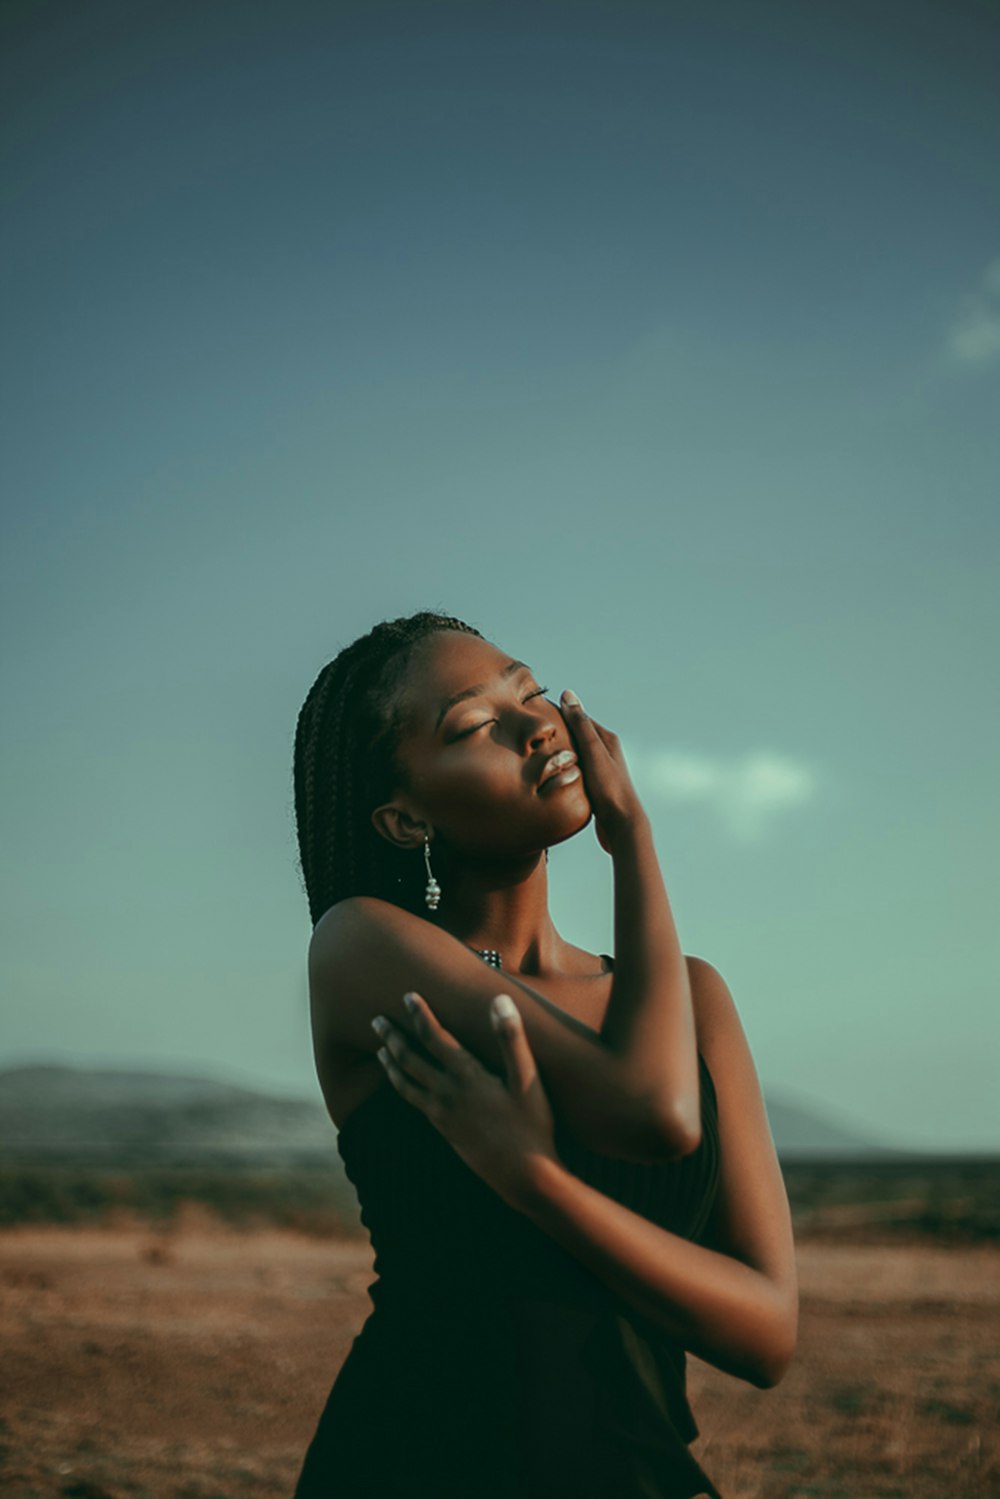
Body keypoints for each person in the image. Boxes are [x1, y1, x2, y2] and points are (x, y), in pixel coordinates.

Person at [291, 610, 797, 1499]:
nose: (536, 725)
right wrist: (628, 840)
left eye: (529, 692)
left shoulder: (695, 998)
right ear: (404, 818)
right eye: (477, 725)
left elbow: (765, 1336)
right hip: (415, 1465)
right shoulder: (362, 947)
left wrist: (536, 1181)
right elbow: (654, 1110)